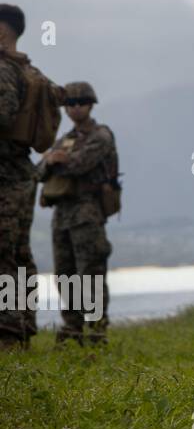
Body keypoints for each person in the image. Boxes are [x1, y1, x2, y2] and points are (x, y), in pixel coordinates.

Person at [0, 3, 61, 350]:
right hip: (20, 172)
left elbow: (4, 114)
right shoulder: (29, 70)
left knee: (4, 256)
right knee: (18, 254)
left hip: (6, 174)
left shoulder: (4, 70)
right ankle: (21, 329)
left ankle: (8, 337)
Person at [39, 81, 119, 345]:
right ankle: (72, 330)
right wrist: (52, 160)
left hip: (88, 213)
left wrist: (58, 160)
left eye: (80, 103)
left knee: (91, 274)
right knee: (65, 275)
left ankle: (97, 331)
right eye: (69, 105)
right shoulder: (65, 139)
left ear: (90, 104)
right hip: (62, 215)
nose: (74, 109)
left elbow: (79, 164)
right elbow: (40, 170)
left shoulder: (101, 136)